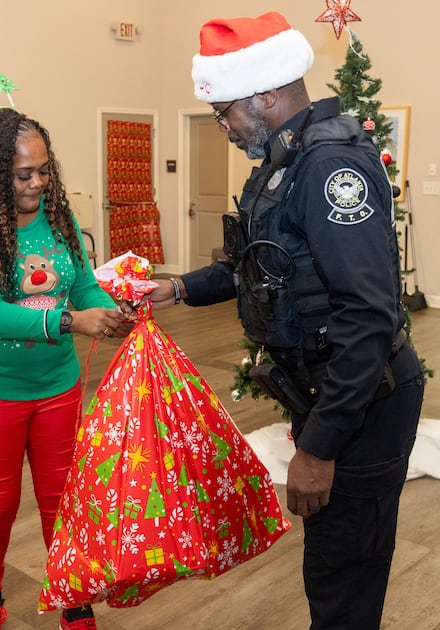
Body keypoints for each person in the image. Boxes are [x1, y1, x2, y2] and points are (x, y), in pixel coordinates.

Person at [149, 12, 424, 630]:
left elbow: (370, 314)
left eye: (225, 112)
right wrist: (178, 289)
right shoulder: (284, 162)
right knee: (331, 565)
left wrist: (319, 448)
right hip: (331, 395)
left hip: (363, 405)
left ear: (266, 95)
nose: (223, 126)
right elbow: (257, 263)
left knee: (344, 576)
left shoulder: (328, 169)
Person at [0, 106, 135, 630]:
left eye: (44, 170)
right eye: (24, 174)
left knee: (62, 500)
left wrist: (114, 304)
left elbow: (83, 285)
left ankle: (74, 597)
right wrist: (70, 321)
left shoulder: (59, 216)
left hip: (57, 384)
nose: (38, 183)